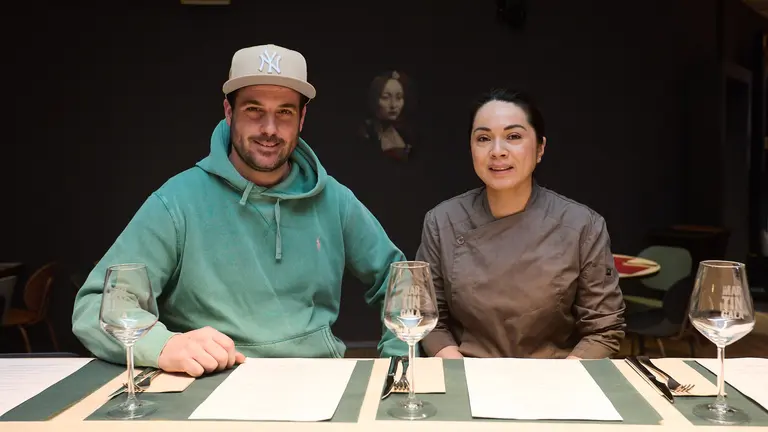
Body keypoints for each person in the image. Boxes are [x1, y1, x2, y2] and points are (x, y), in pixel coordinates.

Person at [72, 44, 409, 377]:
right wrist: (162, 345)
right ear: (229, 112)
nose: (269, 129)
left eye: (284, 113)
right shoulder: (177, 200)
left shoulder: (333, 199)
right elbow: (96, 306)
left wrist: (396, 364)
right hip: (209, 382)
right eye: (253, 110)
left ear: (302, 118)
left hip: (316, 379)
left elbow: (400, 280)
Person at [416, 88, 626, 360]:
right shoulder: (442, 221)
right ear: (471, 149)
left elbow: (604, 328)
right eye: (483, 138)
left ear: (540, 148)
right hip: (468, 377)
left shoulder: (582, 226)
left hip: (555, 381)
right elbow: (430, 319)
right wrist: (460, 373)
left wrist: (560, 384)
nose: (497, 151)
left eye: (513, 137)